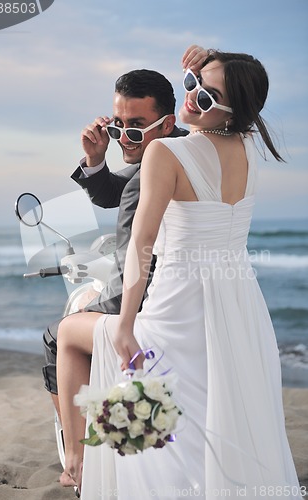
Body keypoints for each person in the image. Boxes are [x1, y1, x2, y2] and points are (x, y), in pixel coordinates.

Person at [57, 48, 303, 499]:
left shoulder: (166, 153)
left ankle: (76, 460)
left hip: (174, 307)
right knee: (212, 412)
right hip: (239, 311)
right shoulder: (249, 146)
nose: (191, 99)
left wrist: (127, 324)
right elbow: (230, 104)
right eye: (191, 85)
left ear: (231, 110)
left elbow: (141, 247)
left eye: (206, 98)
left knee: (71, 329)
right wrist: (207, 64)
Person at [43, 46, 208, 488]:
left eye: (135, 128)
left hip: (144, 299)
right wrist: (96, 159)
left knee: (57, 335)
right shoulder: (187, 152)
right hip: (185, 298)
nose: (124, 139)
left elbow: (144, 253)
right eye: (118, 127)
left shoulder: (160, 163)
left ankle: (76, 457)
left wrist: (111, 302)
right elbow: (117, 191)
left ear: (168, 122)